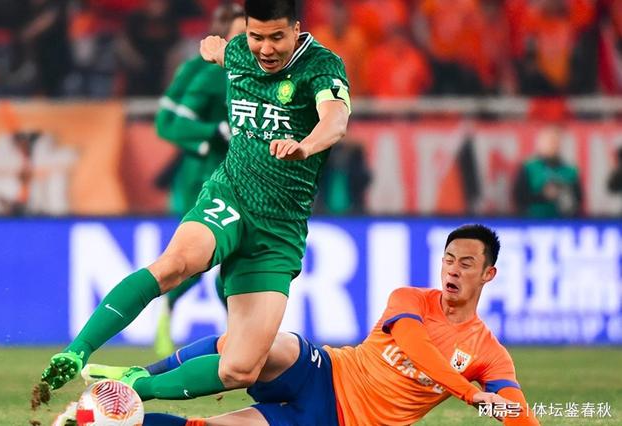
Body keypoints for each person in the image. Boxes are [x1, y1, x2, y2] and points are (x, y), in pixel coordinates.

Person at [41, 0, 351, 403]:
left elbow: (335, 119)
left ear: (296, 29)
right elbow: (222, 51)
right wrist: (214, 48)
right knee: (175, 265)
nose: (266, 49)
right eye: (256, 37)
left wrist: (305, 146)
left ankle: (134, 386)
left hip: (279, 231)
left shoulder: (322, 66)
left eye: (277, 37)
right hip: (231, 196)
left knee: (240, 368)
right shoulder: (239, 52)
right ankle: (76, 351)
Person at [82, 224, 539, 426]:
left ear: (489, 274)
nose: (453, 270)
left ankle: (103, 421)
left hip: (331, 421)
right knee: (257, 345)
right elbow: (417, 347)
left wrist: (503, 409)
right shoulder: (410, 300)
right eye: (448, 259)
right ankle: (136, 380)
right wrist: (468, 393)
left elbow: (514, 409)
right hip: (324, 371)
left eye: (466, 264)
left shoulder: (488, 353)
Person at [152, 2, 245, 358]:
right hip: (207, 177)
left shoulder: (260, 73)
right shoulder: (205, 73)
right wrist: (213, 133)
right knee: (199, 258)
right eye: (240, 35)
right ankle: (167, 312)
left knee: (236, 259)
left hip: (246, 178)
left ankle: (239, 334)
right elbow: (168, 123)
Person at [512, 124, 582, 218]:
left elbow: (578, 199)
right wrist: (543, 195)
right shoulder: (529, 167)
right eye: (549, 141)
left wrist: (563, 195)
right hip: (533, 220)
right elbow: (519, 196)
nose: (552, 145)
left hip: (562, 221)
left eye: (555, 141)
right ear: (540, 143)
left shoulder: (570, 170)